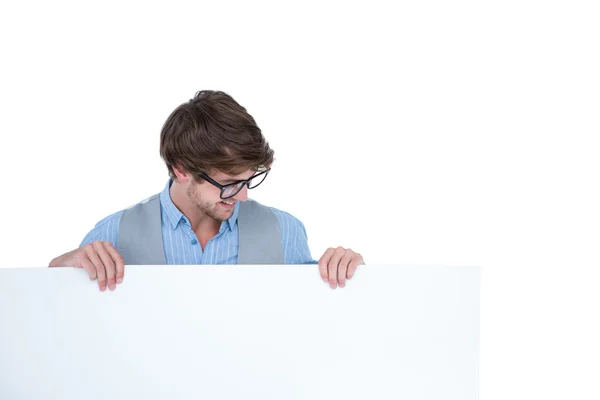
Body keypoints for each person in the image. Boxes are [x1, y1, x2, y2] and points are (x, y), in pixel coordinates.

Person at [49, 90, 364, 291]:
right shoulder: (114, 232)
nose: (243, 197)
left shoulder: (285, 231)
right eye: (228, 184)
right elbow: (56, 313)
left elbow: (322, 316)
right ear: (180, 169)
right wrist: (63, 265)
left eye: (248, 180)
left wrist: (353, 274)